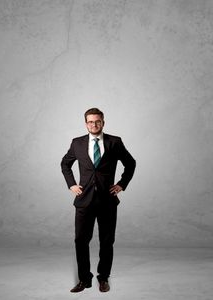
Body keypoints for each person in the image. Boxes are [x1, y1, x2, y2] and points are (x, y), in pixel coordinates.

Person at [61, 107, 136, 293]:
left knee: (106, 241)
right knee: (80, 240)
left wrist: (121, 184)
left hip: (107, 201)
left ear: (103, 122)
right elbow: (65, 164)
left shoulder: (114, 142)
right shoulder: (77, 143)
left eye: (97, 121)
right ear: (85, 123)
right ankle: (84, 279)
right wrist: (71, 184)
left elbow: (130, 163)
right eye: (90, 121)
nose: (94, 124)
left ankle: (103, 278)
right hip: (84, 200)